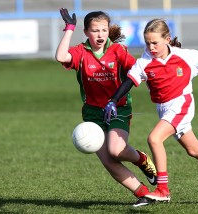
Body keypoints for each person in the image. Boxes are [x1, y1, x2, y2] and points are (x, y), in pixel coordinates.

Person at [104, 18, 198, 204]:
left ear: (167, 39)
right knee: (193, 150)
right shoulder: (144, 61)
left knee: (154, 138)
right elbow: (129, 81)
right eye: (147, 43)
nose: (151, 47)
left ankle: (163, 190)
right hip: (164, 109)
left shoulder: (185, 56)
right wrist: (113, 100)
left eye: (155, 43)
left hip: (181, 104)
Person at [55, 8, 157, 207]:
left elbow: (137, 70)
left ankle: (142, 160)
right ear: (86, 32)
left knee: (116, 149)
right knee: (109, 161)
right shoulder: (81, 52)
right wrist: (69, 29)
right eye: (95, 30)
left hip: (119, 108)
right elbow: (61, 57)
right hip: (93, 113)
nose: (100, 34)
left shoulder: (118, 51)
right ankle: (144, 194)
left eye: (103, 30)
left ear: (108, 31)